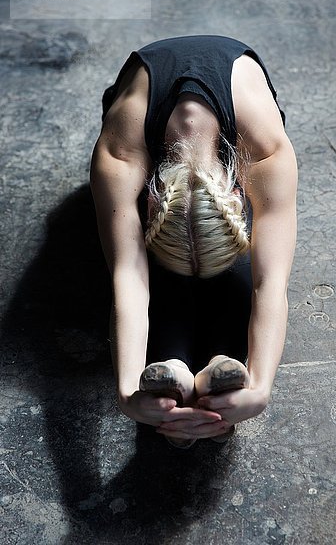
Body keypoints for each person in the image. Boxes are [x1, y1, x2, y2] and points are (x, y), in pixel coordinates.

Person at [90, 34, 297, 447]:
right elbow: (128, 277)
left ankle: (194, 371)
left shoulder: (267, 150)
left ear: (239, 197)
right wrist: (127, 390)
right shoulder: (118, 153)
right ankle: (189, 370)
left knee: (244, 263)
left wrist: (260, 387)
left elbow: (269, 282)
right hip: (143, 138)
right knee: (154, 264)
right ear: (149, 203)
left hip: (235, 137)